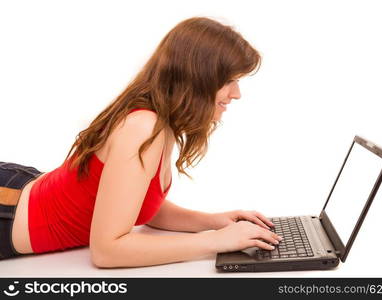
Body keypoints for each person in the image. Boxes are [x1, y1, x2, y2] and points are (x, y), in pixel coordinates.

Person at [0, 17, 282, 267]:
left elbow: (140, 205)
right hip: (7, 213)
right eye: (230, 80)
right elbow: (107, 251)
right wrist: (217, 242)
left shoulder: (161, 120)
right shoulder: (143, 129)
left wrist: (211, 222)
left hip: (20, 189)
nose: (237, 94)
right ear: (198, 78)